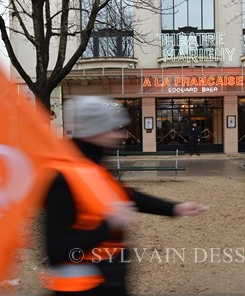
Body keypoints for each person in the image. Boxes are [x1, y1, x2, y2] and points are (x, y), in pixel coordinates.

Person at [42, 97, 207, 296]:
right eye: (114, 128)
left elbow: (128, 196)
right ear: (94, 130)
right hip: (82, 289)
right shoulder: (63, 176)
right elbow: (56, 250)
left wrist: (175, 208)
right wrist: (108, 225)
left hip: (107, 281)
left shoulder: (96, 166)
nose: (122, 134)